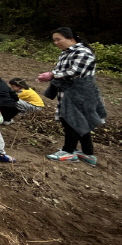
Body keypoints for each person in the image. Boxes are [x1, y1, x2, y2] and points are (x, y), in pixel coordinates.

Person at [38, 27, 106, 165]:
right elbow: (61, 70)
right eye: (54, 40)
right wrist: (51, 74)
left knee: (71, 121)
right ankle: (88, 153)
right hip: (68, 92)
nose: (56, 43)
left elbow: (76, 71)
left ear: (70, 38)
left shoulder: (82, 52)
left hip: (80, 92)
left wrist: (52, 75)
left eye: (58, 39)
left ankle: (68, 151)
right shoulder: (65, 53)